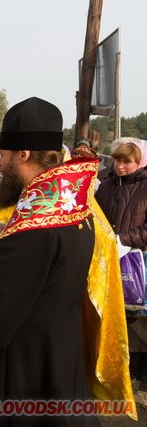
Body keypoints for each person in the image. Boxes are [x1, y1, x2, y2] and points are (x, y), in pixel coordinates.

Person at [0, 97, 132, 425]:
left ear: (23, 154)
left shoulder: (37, 228)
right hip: (60, 358)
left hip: (26, 379)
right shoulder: (74, 207)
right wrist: (4, 228)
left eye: (3, 156)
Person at [95, 137, 147, 388]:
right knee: (109, 316)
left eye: (127, 161)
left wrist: (124, 239)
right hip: (107, 258)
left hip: (137, 260)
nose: (120, 166)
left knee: (135, 318)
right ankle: (108, 369)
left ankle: (133, 374)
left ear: (140, 161)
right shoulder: (106, 185)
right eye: (117, 160)